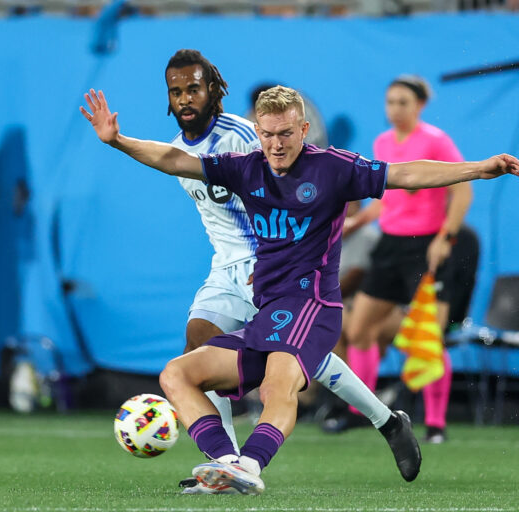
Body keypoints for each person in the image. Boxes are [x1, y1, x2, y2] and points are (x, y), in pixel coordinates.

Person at [80, 84, 519, 494]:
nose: (277, 144)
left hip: (313, 305)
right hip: (269, 310)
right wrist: (117, 141)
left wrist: (480, 169)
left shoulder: (334, 168)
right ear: (257, 131)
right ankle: (229, 462)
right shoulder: (244, 168)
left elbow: (405, 175)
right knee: (176, 373)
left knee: (279, 385)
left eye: (286, 134)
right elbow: (174, 160)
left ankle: (249, 467)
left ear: (304, 129)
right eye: (268, 134)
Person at [144, 49, 422, 491]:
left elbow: (282, 189)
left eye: (193, 89)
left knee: (290, 361)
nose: (185, 99)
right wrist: (116, 139)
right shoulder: (179, 148)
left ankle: (382, 421)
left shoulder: (242, 137)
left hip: (267, 262)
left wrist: (271, 257)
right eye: (176, 92)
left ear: (212, 91)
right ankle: (227, 462)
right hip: (225, 266)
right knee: (205, 346)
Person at [342, 75, 471, 444]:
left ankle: (436, 425)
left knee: (426, 336)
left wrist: (445, 237)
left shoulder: (436, 140)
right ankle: (361, 412)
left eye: (403, 102)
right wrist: (353, 223)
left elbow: (462, 192)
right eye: (390, 102)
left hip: (425, 246)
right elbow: (385, 199)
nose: (395, 109)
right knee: (360, 330)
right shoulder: (383, 142)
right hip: (389, 246)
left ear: (420, 106)